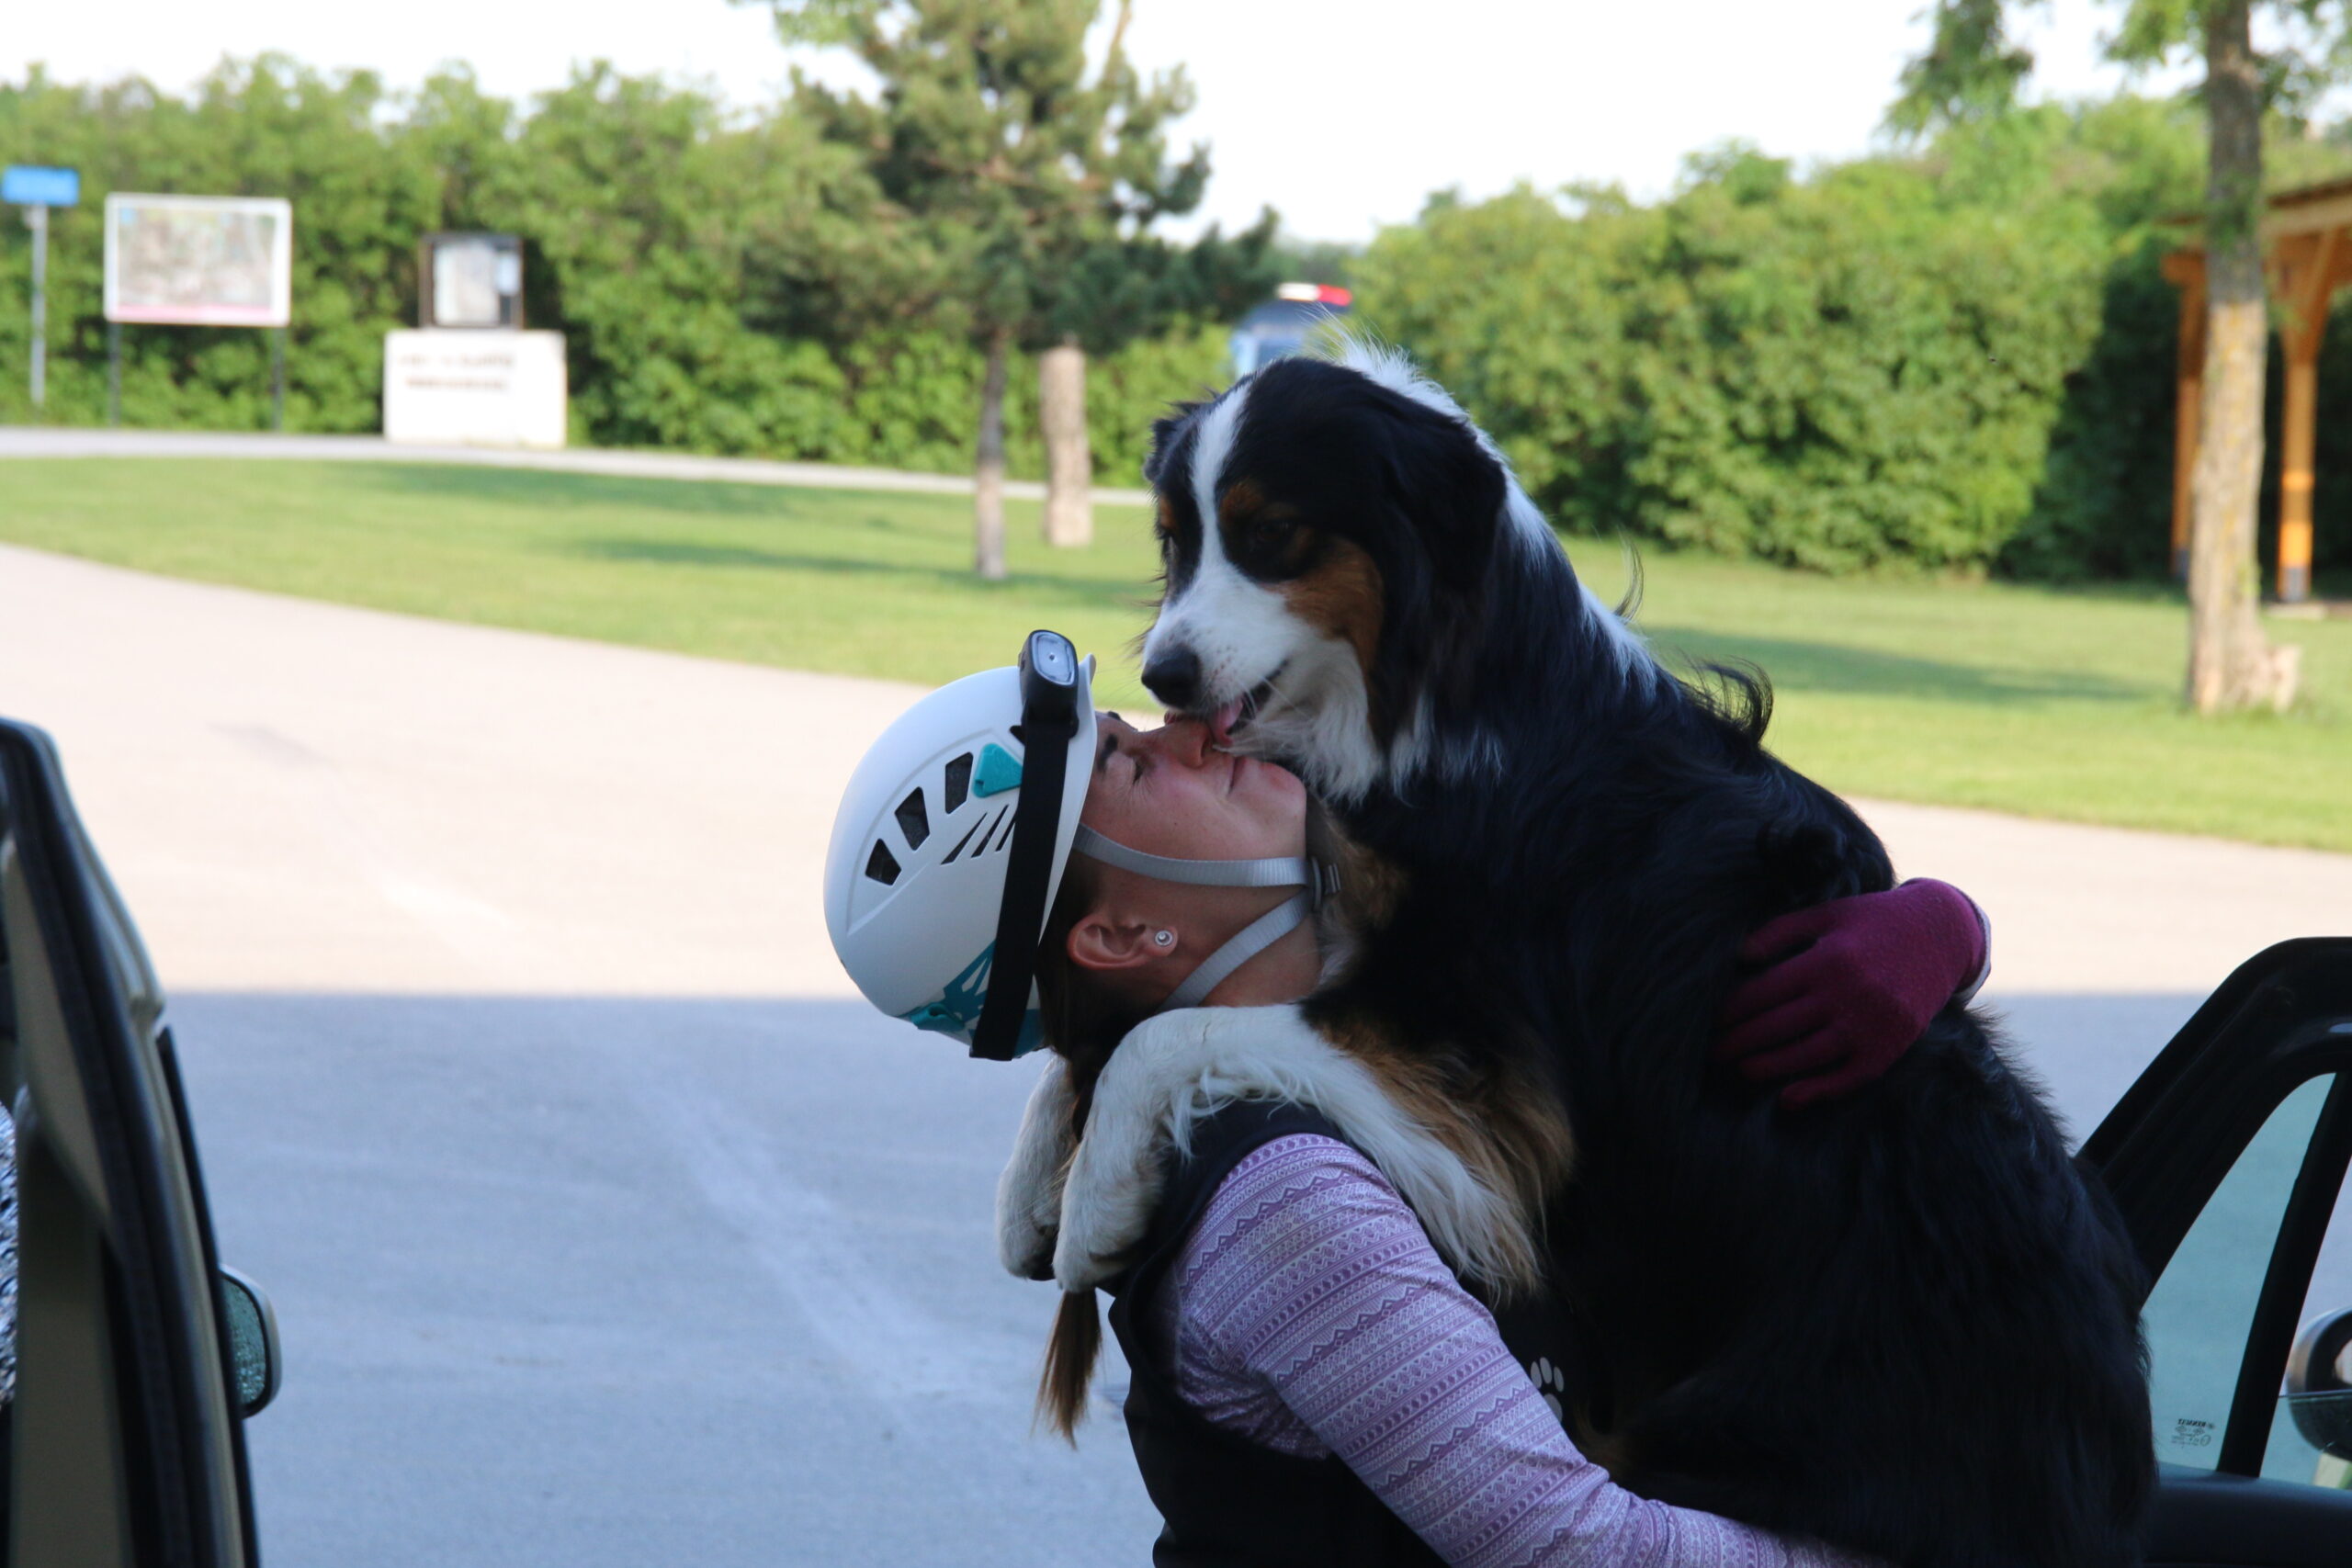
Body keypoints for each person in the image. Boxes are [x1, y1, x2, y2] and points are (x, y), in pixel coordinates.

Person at [825, 633, 1990, 1568]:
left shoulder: (1394, 1029)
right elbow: (1570, 1547)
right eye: (1130, 765)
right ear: (1124, 933)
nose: (1196, 727)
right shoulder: (1282, 1202)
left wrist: (1935, 933)